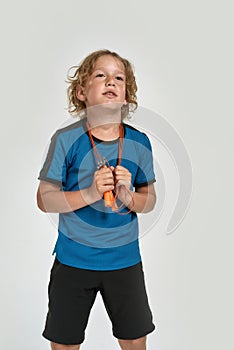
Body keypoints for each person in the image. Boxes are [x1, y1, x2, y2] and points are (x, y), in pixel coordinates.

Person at [37, 49, 157, 350]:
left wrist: (128, 196)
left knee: (134, 340)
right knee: (64, 342)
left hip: (125, 261)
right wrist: (90, 193)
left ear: (127, 95)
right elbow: (44, 199)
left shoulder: (139, 142)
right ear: (81, 92)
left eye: (119, 77)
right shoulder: (65, 140)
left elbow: (149, 201)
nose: (110, 81)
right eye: (100, 75)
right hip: (73, 260)